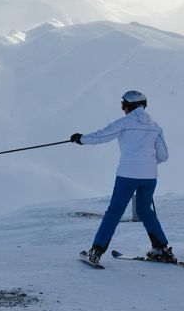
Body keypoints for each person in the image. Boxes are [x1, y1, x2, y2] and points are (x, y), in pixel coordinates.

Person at [70, 90, 173, 265]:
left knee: (115, 212)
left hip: (127, 175)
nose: (122, 107)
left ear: (129, 106)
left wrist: (81, 139)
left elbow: (101, 135)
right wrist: (147, 163)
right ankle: (162, 249)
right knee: (144, 210)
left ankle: (96, 252)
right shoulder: (155, 127)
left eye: (122, 104)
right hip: (149, 177)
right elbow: (163, 156)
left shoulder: (124, 123)